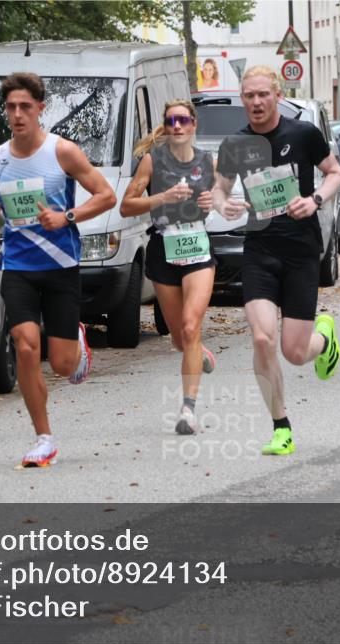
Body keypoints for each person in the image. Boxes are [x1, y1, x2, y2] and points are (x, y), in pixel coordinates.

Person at [0, 72, 116, 467]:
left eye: (25, 107)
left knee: (62, 366)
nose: (17, 114)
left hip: (61, 267)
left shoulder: (63, 152)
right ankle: (43, 438)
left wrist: (67, 216)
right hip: (18, 266)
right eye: (11, 107)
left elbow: (106, 196)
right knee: (26, 345)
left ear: (40, 109)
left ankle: (75, 346)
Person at [211, 65, 340, 456]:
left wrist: (315, 200)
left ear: (277, 94)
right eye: (248, 96)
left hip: (301, 251)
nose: (255, 102)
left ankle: (325, 339)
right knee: (262, 337)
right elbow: (219, 190)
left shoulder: (303, 133)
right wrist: (226, 205)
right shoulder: (234, 144)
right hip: (260, 250)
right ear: (242, 99)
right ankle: (280, 426)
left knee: (296, 352)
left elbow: (335, 172)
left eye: (262, 94)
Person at [120, 100, 218, 435]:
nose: (177, 126)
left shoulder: (208, 161)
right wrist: (162, 198)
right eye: (171, 121)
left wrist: (212, 201)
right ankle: (197, 351)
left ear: (194, 124)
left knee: (191, 327)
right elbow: (126, 206)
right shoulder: (152, 161)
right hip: (165, 248)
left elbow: (222, 198)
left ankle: (188, 410)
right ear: (166, 125)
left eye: (183, 120)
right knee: (180, 338)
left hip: (199, 248)